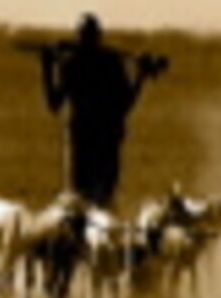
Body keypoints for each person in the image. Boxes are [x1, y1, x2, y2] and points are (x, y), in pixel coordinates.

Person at [37, 13, 164, 208]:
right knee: (103, 200)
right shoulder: (110, 63)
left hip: (84, 140)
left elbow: (54, 104)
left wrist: (46, 68)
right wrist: (140, 77)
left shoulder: (72, 64)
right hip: (106, 139)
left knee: (79, 201)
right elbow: (125, 105)